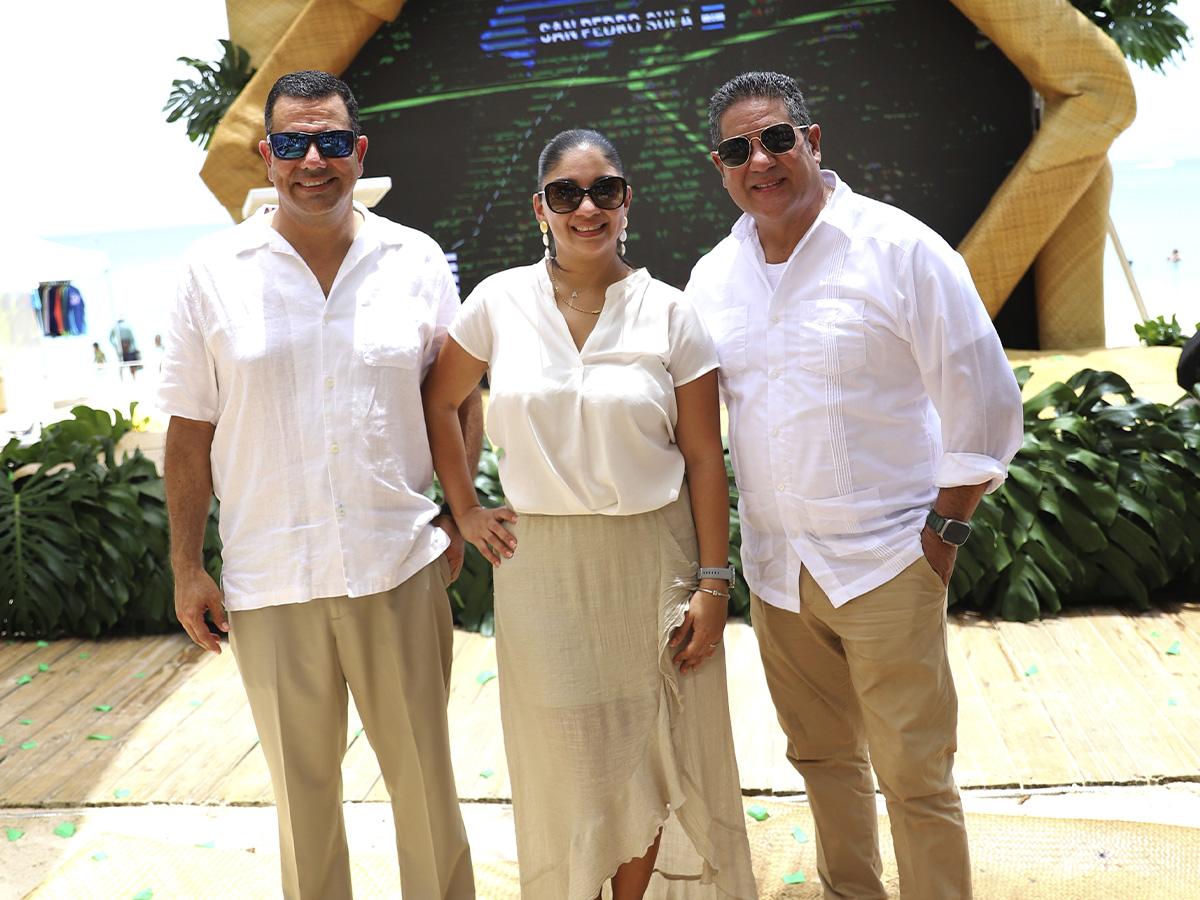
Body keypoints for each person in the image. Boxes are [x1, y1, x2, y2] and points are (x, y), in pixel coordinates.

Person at [686, 72, 1024, 900]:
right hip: (777, 573)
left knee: (917, 777)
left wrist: (943, 534)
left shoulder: (900, 248)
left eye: (776, 139)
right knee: (823, 761)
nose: (759, 161)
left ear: (813, 140)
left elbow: (982, 398)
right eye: (738, 150)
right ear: (720, 167)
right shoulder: (711, 279)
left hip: (886, 561)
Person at [158, 70, 478, 900]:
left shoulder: (414, 259)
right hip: (272, 579)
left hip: (396, 567)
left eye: (332, 141)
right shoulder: (209, 272)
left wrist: (456, 515)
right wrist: (188, 567)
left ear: (358, 151)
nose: (313, 160)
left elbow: (456, 398)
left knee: (428, 797)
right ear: (266, 156)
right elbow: (189, 432)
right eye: (294, 142)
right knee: (304, 806)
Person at [422, 129, 757, 900]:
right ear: (540, 208)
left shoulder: (671, 313)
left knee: (648, 747)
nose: (586, 207)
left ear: (625, 201)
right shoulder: (497, 302)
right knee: (571, 748)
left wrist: (713, 583)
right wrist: (465, 509)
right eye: (567, 193)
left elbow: (707, 459)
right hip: (541, 568)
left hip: (654, 559)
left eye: (604, 190)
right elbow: (442, 401)